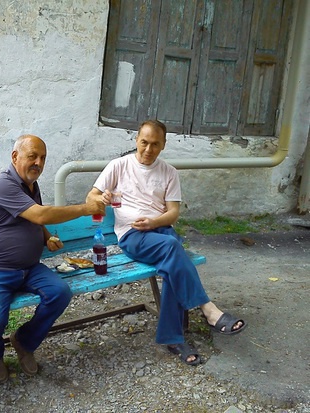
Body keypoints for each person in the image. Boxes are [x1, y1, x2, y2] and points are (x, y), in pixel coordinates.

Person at [86, 120, 247, 365]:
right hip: (132, 235)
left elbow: (173, 213)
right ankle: (208, 309)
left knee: (172, 265)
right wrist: (102, 197)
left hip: (160, 230)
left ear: (163, 145)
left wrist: (153, 222)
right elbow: (91, 196)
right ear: (136, 140)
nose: (148, 149)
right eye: (144, 142)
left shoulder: (169, 172)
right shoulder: (119, 166)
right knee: (173, 248)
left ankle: (173, 339)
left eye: (155, 144)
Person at [0, 134, 105, 382]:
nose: (38, 163)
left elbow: (34, 219)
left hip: (29, 267)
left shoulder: (31, 184)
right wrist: (86, 208)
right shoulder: (2, 184)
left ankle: (24, 341)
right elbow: (41, 215)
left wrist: (46, 238)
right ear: (15, 156)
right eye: (32, 156)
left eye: (43, 158)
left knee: (60, 293)